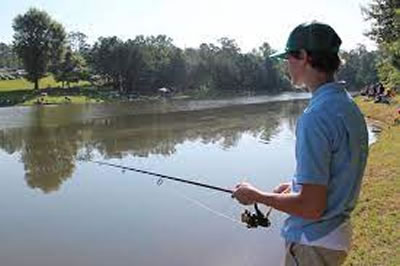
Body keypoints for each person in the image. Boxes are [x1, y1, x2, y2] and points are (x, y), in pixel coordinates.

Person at [232, 22, 369, 266]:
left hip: (313, 242)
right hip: (335, 235)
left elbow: (311, 207)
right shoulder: (346, 106)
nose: (286, 65)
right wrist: (295, 186)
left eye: (288, 57)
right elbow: (338, 170)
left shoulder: (315, 117)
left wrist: (257, 196)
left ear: (304, 56)